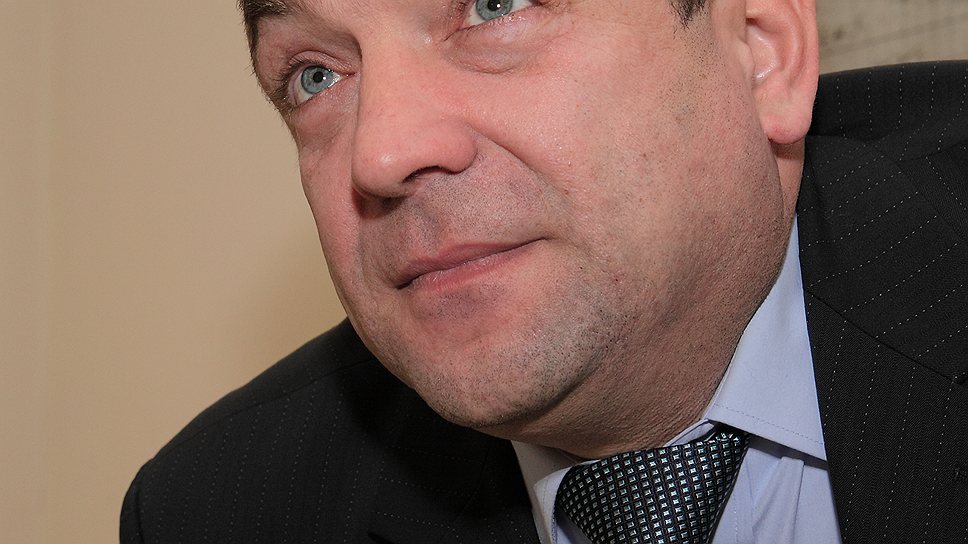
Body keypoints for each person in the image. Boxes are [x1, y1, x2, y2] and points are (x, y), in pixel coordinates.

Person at [121, 0, 968, 542]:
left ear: (760, 49)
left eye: (495, 6)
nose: (381, 151)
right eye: (316, 75)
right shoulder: (222, 512)